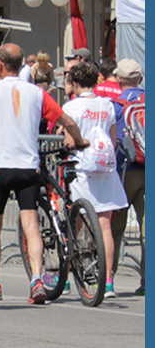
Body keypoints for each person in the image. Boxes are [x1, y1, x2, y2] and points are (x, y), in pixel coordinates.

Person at [0, 43, 87, 304]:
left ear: (0, 64)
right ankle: (36, 280)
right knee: (31, 226)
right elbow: (67, 121)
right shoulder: (37, 93)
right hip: (27, 167)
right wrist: (79, 141)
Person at [61, 61, 128, 298]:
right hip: (106, 170)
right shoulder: (107, 105)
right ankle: (107, 281)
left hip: (82, 169)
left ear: (75, 83)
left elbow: (69, 143)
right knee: (104, 225)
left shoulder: (72, 106)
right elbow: (113, 139)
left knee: (74, 224)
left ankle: (67, 277)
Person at [110, 59, 145, 297]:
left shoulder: (116, 106)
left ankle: (108, 280)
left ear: (119, 79)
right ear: (140, 79)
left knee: (114, 228)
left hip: (124, 171)